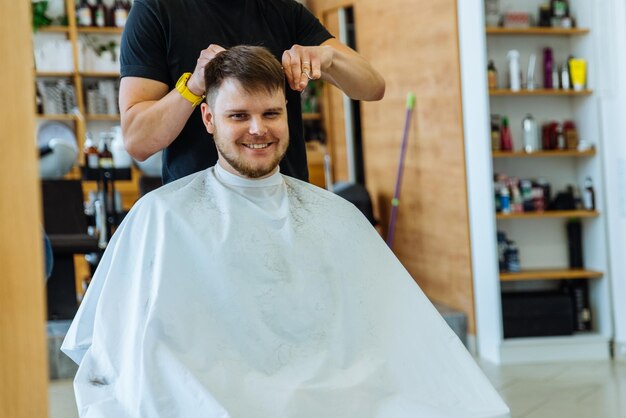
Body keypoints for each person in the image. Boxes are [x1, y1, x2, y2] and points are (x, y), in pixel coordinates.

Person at [63, 46, 509, 418]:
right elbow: (115, 359)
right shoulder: (160, 219)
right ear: (208, 120)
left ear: (287, 116)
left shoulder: (336, 217)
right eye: (238, 115)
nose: (258, 129)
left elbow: (397, 342)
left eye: (271, 113)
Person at [119, 0, 385, 184]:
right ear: (208, 117)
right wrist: (194, 86)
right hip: (199, 218)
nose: (256, 129)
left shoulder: (285, 13)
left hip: (283, 207)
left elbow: (373, 87)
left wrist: (328, 57)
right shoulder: (155, 12)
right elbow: (137, 141)